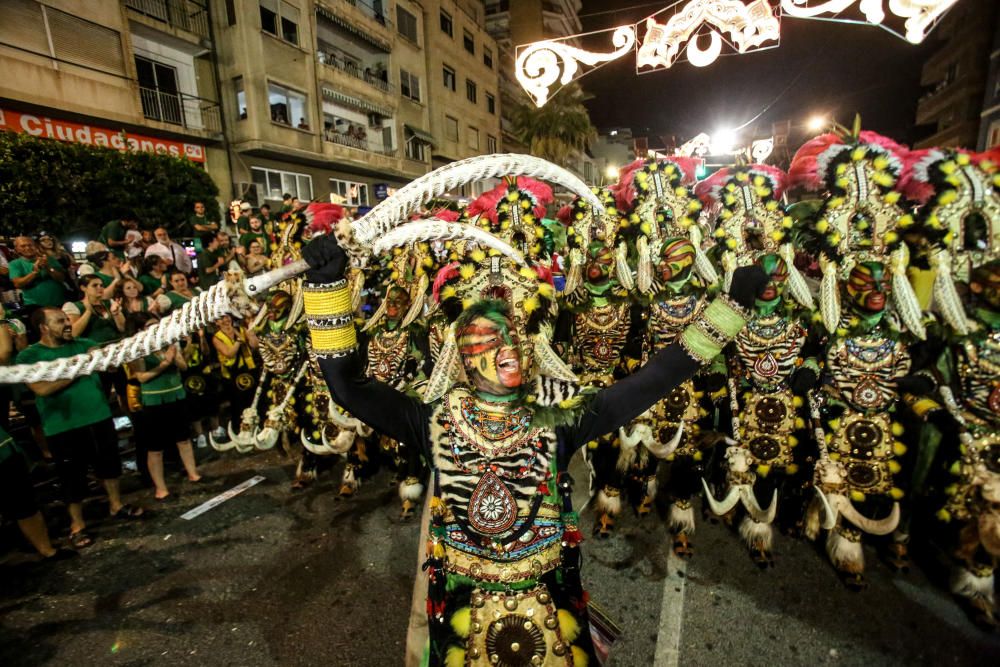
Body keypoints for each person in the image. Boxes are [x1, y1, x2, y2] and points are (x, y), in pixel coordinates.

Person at [299, 210, 766, 666]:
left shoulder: (559, 421)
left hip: (552, 617)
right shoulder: (434, 422)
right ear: (461, 354)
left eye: (509, 338)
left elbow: (655, 378)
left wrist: (730, 311)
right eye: (483, 340)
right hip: (463, 621)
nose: (500, 349)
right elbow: (347, 385)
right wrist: (326, 287)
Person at [18, 308, 144, 548]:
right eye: (60, 321)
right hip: (63, 427)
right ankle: (77, 525)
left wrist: (106, 358)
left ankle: (116, 504)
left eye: (67, 319)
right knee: (71, 478)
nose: (67, 324)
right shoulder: (29, 356)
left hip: (98, 416)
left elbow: (110, 367)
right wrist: (79, 369)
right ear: (43, 327)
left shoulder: (85, 343)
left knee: (109, 465)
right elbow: (41, 388)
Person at [127, 313, 201, 500]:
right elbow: (141, 376)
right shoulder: (138, 349)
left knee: (183, 438)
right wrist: (164, 363)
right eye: (151, 325)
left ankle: (193, 473)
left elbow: (183, 367)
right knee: (155, 447)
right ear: (140, 330)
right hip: (154, 401)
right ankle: (161, 488)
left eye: (158, 324)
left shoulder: (169, 342)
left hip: (176, 395)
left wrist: (174, 357)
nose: (157, 328)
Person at [212, 313, 259, 434]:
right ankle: (239, 430)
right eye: (221, 318)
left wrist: (251, 333)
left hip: (248, 370)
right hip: (232, 374)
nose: (226, 320)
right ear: (216, 322)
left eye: (227, 317)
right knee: (237, 404)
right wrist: (238, 341)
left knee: (253, 399)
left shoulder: (241, 329)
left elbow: (254, 345)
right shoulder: (217, 338)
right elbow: (229, 353)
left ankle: (256, 426)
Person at [63, 274, 126, 344]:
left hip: (116, 342)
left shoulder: (110, 303)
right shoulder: (73, 306)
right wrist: (88, 311)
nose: (100, 288)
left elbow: (123, 329)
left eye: (101, 285)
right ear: (83, 288)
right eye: (95, 285)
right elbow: (74, 333)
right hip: (92, 348)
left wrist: (116, 314)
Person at [9, 236, 67, 311]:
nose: (27, 248)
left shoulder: (49, 259)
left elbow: (62, 278)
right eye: (23, 246)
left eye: (30, 245)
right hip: (35, 305)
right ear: (17, 249)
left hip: (59, 302)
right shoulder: (15, 264)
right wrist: (35, 272)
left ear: (35, 246)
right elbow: (18, 284)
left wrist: (48, 268)